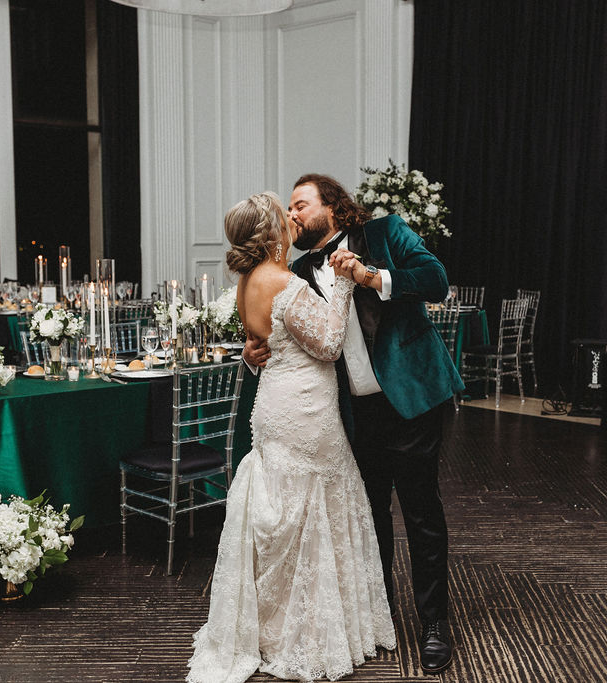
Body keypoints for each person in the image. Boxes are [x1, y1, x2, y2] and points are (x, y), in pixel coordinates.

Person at [243, 174, 464, 674]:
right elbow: (289, 337)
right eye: (291, 208)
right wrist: (252, 353)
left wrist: (369, 277)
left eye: (302, 204)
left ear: (335, 209)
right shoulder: (296, 270)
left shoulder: (387, 233)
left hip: (410, 400)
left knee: (421, 513)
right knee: (370, 517)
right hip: (350, 414)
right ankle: (377, 615)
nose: (293, 214)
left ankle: (434, 624)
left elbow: (436, 281)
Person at [186, 192, 395, 683]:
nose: (292, 219)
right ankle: (301, 631)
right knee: (312, 506)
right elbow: (325, 343)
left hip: (273, 406)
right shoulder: (283, 280)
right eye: (286, 215)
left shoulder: (246, 283)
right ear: (272, 232)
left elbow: (264, 341)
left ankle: (271, 623)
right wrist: (343, 283)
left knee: (283, 510)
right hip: (306, 409)